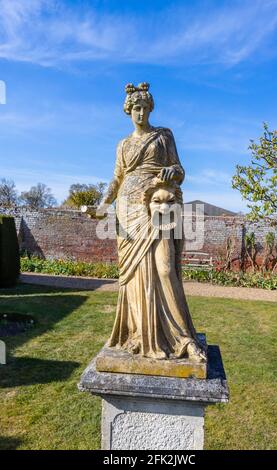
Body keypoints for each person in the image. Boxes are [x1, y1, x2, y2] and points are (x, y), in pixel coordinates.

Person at [96, 82, 205, 362]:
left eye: (144, 108)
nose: (140, 113)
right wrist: (103, 204)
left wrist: (172, 171)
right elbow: (116, 179)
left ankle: (183, 338)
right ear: (128, 111)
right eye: (136, 109)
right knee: (133, 276)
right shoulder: (122, 145)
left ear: (150, 109)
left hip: (158, 204)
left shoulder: (163, 136)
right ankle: (139, 334)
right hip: (127, 211)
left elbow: (180, 170)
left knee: (166, 269)